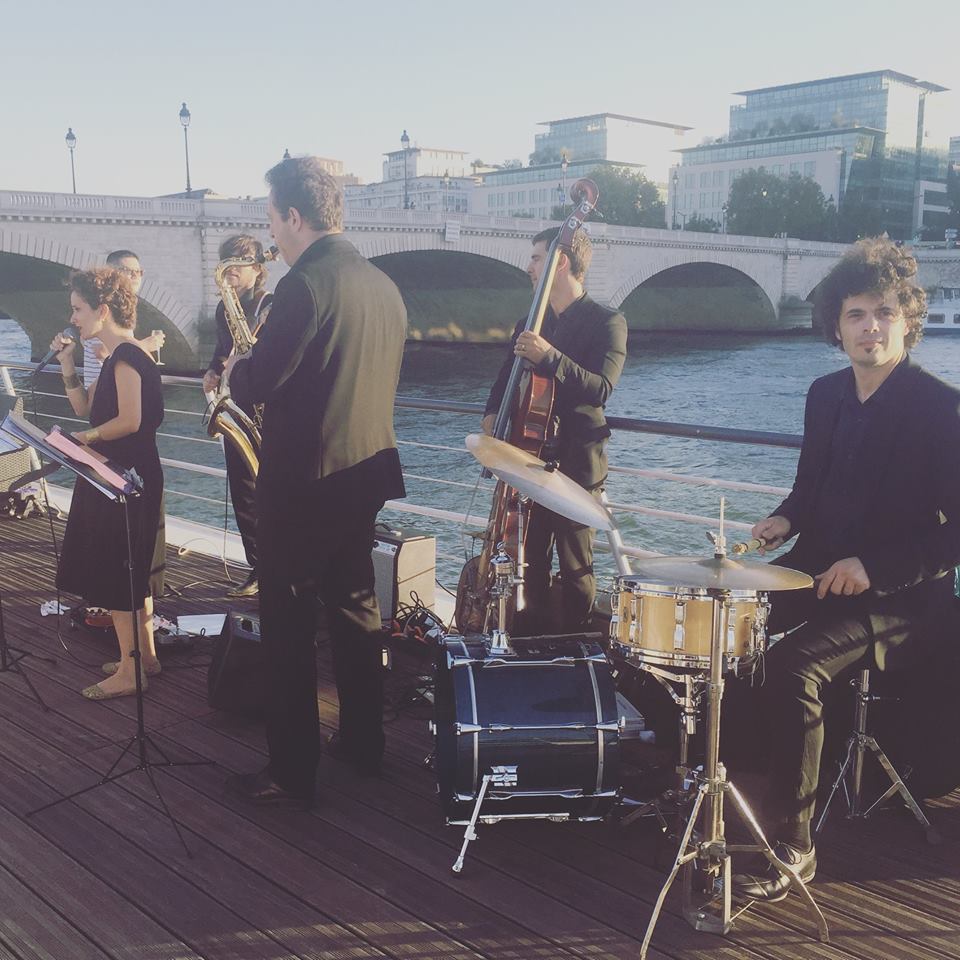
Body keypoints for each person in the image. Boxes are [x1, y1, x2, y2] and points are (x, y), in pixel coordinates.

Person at [732, 236, 960, 901]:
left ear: (907, 321)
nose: (870, 327)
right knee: (725, 623)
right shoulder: (824, 394)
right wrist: (782, 518)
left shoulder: (940, 407)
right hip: (818, 571)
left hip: (904, 602)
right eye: (857, 314)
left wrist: (873, 566)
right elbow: (812, 490)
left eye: (884, 313)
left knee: (794, 665)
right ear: (837, 324)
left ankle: (794, 846)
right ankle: (725, 779)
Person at [224, 157, 406, 807]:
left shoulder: (304, 286)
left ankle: (290, 771)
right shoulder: (383, 284)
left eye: (272, 218)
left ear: (294, 217)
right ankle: (363, 744)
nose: (270, 233)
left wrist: (236, 371)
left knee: (290, 626)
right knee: (357, 610)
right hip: (364, 473)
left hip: (302, 483)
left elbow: (263, 381)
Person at [481, 226, 627, 634]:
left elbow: (601, 389)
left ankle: (578, 646)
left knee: (576, 560)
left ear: (560, 263)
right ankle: (534, 642)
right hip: (531, 456)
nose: (528, 267)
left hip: (579, 459)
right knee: (531, 556)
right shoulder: (531, 321)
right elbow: (505, 377)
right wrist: (493, 412)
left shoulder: (608, 322)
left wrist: (550, 357)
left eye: (536, 258)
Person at [51, 267, 166, 699]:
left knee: (120, 568)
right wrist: (67, 365)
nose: (74, 317)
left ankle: (129, 672)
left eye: (78, 309)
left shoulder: (127, 357)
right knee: (133, 564)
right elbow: (87, 407)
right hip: (124, 473)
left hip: (123, 476)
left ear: (102, 309)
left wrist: (84, 439)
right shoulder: (119, 356)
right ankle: (146, 657)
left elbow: (129, 421)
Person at [202, 234, 274, 598]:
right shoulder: (222, 308)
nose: (229, 269)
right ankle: (258, 568)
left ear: (257, 270)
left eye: (237, 263)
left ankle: (280, 569)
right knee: (242, 493)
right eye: (225, 262)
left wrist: (245, 362)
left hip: (266, 410)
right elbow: (220, 351)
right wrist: (213, 371)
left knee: (270, 495)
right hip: (237, 407)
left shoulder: (268, 306)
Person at [82, 250, 164, 386]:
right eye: (128, 271)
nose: (135, 276)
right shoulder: (104, 306)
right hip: (104, 392)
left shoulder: (122, 306)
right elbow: (101, 352)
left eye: (139, 272)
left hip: (112, 387)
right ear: (111, 273)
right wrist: (145, 346)